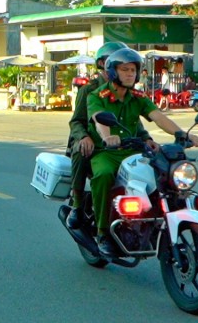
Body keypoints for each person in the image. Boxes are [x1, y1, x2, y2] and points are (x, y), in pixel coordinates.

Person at [86, 48, 198, 257]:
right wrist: (107, 137)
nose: (130, 74)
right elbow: (98, 117)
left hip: (134, 151)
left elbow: (157, 116)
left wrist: (182, 134)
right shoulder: (98, 95)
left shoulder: (137, 97)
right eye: (125, 70)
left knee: (161, 175)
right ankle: (103, 232)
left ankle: (150, 221)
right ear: (112, 72)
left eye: (133, 70)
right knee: (103, 175)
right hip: (107, 152)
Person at [65, 42, 154, 230]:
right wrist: (83, 137)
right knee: (82, 153)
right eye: (111, 62)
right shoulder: (89, 90)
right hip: (91, 138)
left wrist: (147, 138)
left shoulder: (128, 89)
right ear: (102, 64)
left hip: (122, 144)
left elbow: (133, 121)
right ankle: (77, 205)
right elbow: (77, 121)